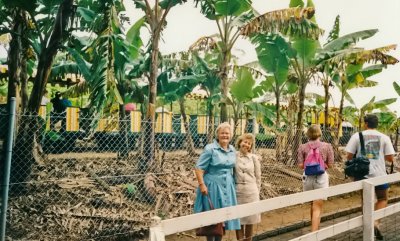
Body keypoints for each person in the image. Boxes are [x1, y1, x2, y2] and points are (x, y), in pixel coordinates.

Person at [345, 114, 395, 240]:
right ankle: (375, 223)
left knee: (366, 201)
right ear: (376, 124)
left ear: (365, 123)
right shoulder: (384, 137)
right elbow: (390, 158)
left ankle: (369, 227)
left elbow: (349, 156)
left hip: (362, 175)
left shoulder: (356, 136)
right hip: (380, 175)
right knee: (383, 198)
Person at [194, 122, 240, 241]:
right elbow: (199, 168)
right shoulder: (210, 149)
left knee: (223, 217)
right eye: (222, 133)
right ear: (218, 135)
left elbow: (233, 169)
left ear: (231, 135)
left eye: (227, 133)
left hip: (227, 186)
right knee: (212, 216)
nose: (225, 135)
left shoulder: (232, 149)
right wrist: (202, 184)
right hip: (212, 186)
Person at [298, 125, 334, 232]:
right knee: (317, 207)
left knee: (312, 204)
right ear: (320, 133)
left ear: (308, 134)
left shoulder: (302, 147)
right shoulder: (327, 146)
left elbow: (300, 165)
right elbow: (331, 164)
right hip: (321, 177)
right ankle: (314, 235)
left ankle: (315, 229)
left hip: (307, 178)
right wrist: (321, 166)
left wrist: (309, 165)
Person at [235, 133, 261, 241]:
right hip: (238, 192)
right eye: (245, 142)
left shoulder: (254, 158)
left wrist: (257, 191)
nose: (247, 145)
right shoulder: (233, 156)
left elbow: (258, 177)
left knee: (250, 221)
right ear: (240, 142)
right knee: (238, 221)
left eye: (249, 143)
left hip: (251, 192)